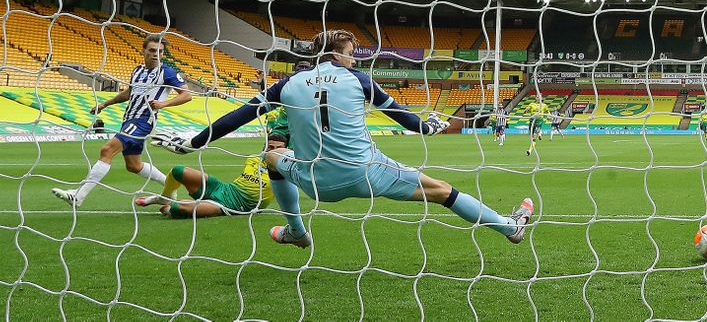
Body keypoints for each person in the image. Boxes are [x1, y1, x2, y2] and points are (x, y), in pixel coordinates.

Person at [152, 29, 533, 248]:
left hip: (316, 182)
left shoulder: (286, 84)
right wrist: (430, 126)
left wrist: (195, 142)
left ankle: (297, 231)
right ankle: (508, 227)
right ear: (337, 54)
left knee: (272, 158)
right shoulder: (359, 80)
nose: (355, 59)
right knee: (442, 191)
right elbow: (410, 123)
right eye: (352, 54)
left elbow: (236, 118)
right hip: (369, 172)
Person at [52, 34, 193, 207]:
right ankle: (170, 187)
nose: (156, 54)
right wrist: (105, 104)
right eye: (152, 50)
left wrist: (163, 103)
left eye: (160, 51)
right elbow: (129, 93)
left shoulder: (168, 72)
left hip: (143, 121)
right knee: (134, 166)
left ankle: (78, 196)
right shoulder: (138, 71)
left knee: (107, 150)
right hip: (128, 120)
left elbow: (187, 95)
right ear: (143, 50)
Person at [135, 134, 285, 218]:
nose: (273, 151)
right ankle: (163, 197)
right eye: (270, 147)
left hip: (234, 206)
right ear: (264, 146)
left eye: (278, 148)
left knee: (175, 209)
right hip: (224, 189)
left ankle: (195, 204)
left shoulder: (284, 169)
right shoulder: (253, 158)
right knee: (178, 171)